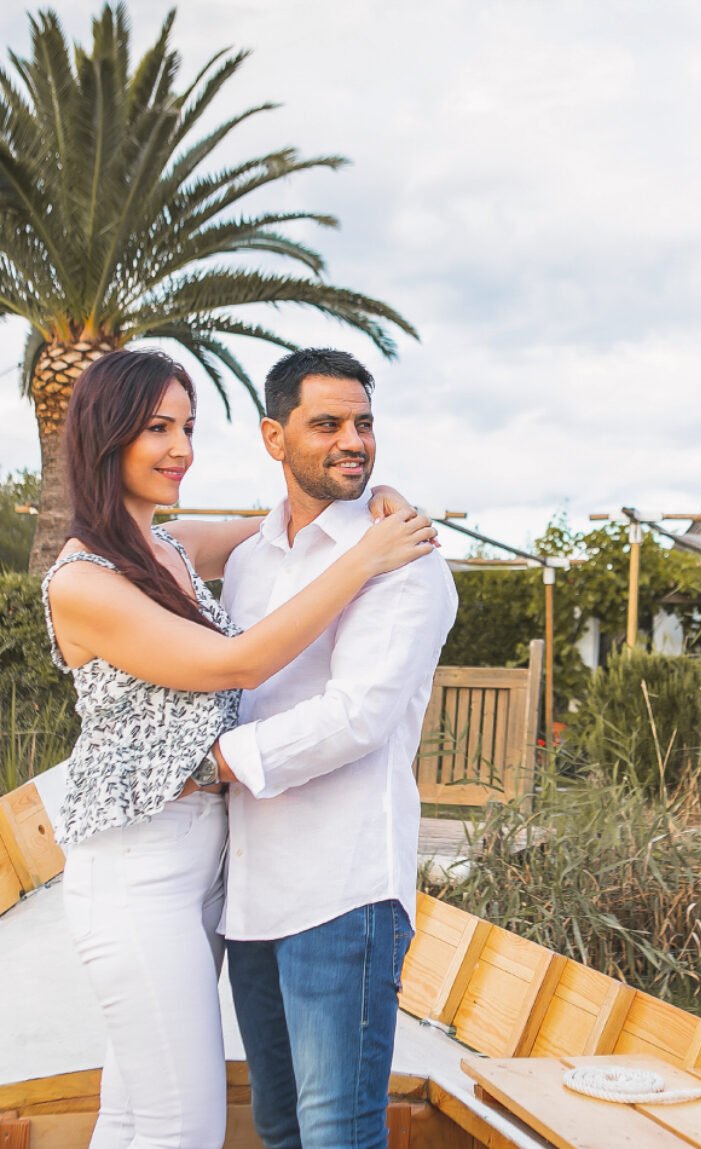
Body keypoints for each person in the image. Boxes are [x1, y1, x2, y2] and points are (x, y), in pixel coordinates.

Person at [43, 347, 436, 1149]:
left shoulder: (174, 547)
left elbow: (286, 524)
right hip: (137, 866)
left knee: (132, 1110)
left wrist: (377, 509)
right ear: (104, 436)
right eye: (156, 428)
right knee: (180, 1124)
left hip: (224, 870)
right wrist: (366, 552)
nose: (181, 447)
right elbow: (237, 662)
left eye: (187, 425)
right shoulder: (81, 580)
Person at [208, 348, 457, 1149]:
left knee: (337, 1133)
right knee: (279, 1127)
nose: (355, 441)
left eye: (364, 423)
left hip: (343, 893)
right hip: (252, 893)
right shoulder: (249, 560)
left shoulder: (405, 560)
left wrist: (216, 764)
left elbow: (358, 716)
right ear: (274, 438)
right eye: (328, 424)